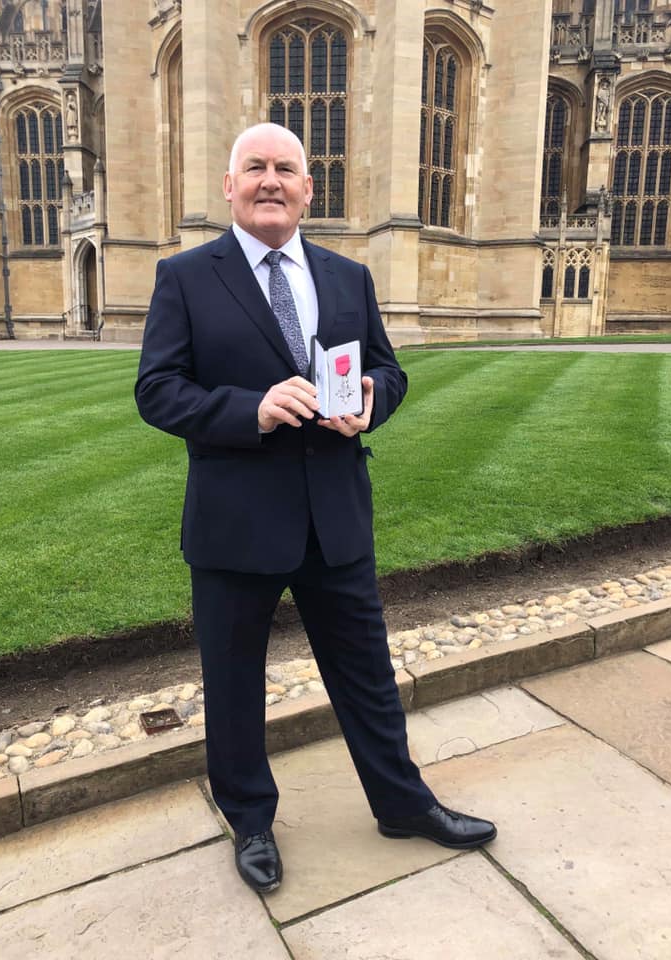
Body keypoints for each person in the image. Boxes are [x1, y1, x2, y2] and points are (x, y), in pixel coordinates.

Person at [135, 123, 496, 894]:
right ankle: (252, 823)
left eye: (286, 169)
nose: (272, 180)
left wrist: (372, 400)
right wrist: (251, 409)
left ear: (309, 187)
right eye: (255, 168)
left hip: (334, 516)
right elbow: (158, 391)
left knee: (367, 674)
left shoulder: (347, 277)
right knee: (234, 685)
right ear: (229, 187)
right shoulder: (186, 276)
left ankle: (402, 804)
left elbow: (389, 370)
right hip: (236, 523)